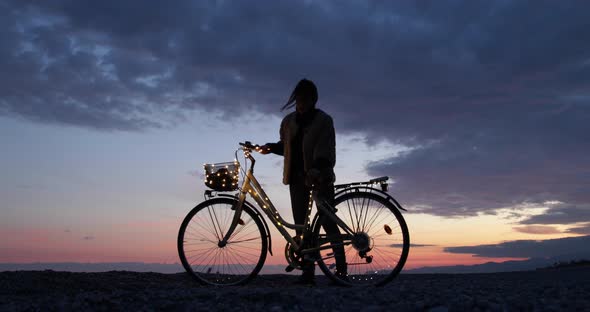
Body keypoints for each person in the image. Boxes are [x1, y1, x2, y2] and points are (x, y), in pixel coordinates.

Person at [259, 78, 347, 285]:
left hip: (319, 177)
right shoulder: (288, 122)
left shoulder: (324, 120)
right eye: (299, 97)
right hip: (296, 179)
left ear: (314, 99)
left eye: (306, 98)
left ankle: (341, 271)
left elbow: (326, 149)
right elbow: (286, 147)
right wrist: (269, 148)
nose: (302, 102)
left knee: (328, 222)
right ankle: (308, 273)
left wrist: (317, 168)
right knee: (301, 228)